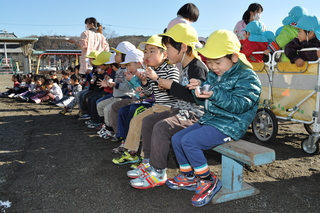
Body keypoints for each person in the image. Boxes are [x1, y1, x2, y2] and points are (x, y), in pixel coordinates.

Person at [165, 29, 261, 207]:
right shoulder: (213, 74)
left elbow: (241, 105)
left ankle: (208, 180)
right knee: (178, 138)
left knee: (189, 141)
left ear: (233, 57)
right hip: (211, 120)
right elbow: (203, 101)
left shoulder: (247, 77)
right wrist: (196, 90)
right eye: (209, 61)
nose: (213, 66)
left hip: (231, 124)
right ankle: (189, 176)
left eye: (217, 62)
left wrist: (213, 93)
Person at [127, 23, 207, 187]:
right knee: (148, 121)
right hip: (180, 111)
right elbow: (179, 93)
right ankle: (149, 162)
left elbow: (198, 99)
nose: (167, 52)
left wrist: (171, 85)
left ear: (183, 47)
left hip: (195, 115)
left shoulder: (197, 67)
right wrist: (165, 85)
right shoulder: (185, 65)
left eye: (168, 48)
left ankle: (158, 172)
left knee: (161, 127)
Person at [94, 41, 136, 130]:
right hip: (116, 96)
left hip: (125, 97)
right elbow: (116, 84)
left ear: (125, 55)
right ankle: (105, 125)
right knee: (100, 105)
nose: (115, 56)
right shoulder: (120, 69)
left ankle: (111, 130)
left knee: (107, 109)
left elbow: (129, 87)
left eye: (117, 54)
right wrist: (109, 84)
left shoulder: (128, 70)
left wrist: (115, 84)